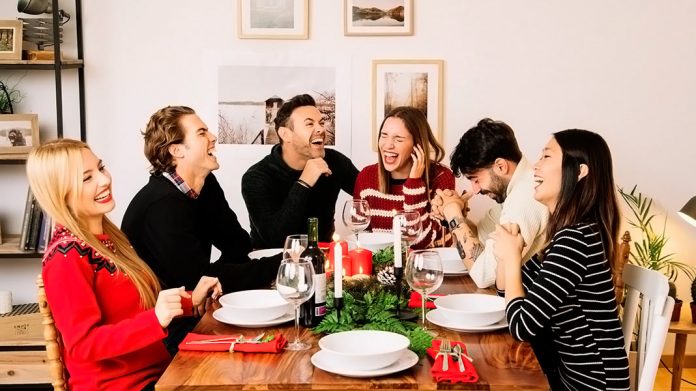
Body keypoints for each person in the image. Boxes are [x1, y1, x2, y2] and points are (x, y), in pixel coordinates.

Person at [27, 139, 221, 390]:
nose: (104, 179)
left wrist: (190, 301)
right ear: (59, 193)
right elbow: (84, 345)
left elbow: (130, 308)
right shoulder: (66, 257)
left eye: (100, 168)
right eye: (87, 178)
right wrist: (156, 319)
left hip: (158, 374)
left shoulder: (109, 239)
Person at [122, 106, 282, 350]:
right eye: (201, 133)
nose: (213, 138)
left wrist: (212, 281)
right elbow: (193, 282)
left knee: (279, 330)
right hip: (164, 335)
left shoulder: (203, 185)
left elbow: (238, 245)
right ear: (176, 150)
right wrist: (283, 262)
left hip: (195, 316)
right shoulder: (162, 204)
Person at [491, 129, 630, 390]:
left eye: (546, 156)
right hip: (570, 377)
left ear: (579, 172)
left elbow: (521, 326)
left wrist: (512, 258)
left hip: (593, 385)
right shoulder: (567, 235)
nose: (536, 165)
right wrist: (507, 252)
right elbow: (506, 294)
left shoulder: (576, 240)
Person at [431, 118, 548, 288]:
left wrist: (452, 212)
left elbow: (484, 275)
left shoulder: (525, 197)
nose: (475, 189)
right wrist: (454, 216)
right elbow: (480, 240)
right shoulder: (516, 188)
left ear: (500, 166)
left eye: (476, 179)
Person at [242, 94, 359, 248]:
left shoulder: (335, 162)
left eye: (321, 123)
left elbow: (369, 194)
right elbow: (275, 240)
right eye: (309, 124)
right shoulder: (256, 177)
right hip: (273, 264)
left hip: (324, 261)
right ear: (285, 134)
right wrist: (304, 183)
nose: (320, 129)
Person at [353, 106, 455, 248]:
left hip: (429, 265)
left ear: (417, 145)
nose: (388, 145)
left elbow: (423, 242)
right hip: (382, 267)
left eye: (398, 139)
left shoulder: (441, 176)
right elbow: (362, 239)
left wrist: (414, 183)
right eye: (384, 135)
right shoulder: (366, 177)